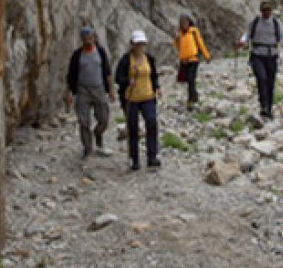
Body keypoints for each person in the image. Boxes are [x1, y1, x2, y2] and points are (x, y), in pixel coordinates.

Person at [64, 26, 116, 157]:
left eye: (90, 38)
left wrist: (111, 90)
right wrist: (68, 93)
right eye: (85, 38)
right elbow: (71, 75)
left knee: (103, 119)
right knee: (83, 121)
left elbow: (108, 72)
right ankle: (87, 147)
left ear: (94, 38)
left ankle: (98, 133)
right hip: (82, 91)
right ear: (82, 40)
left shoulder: (100, 52)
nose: (88, 41)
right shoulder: (77, 55)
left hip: (99, 89)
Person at [235, 0, 283, 119]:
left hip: (271, 56)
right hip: (257, 55)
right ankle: (263, 106)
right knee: (261, 78)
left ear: (271, 11)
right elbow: (247, 34)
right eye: (264, 10)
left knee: (270, 82)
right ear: (261, 11)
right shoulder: (255, 22)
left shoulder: (276, 23)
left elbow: (282, 38)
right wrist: (242, 41)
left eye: (268, 10)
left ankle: (269, 108)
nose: (266, 12)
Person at [115, 30, 162, 171]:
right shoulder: (125, 60)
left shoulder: (149, 58)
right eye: (137, 44)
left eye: (142, 44)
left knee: (152, 122)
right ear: (132, 44)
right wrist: (128, 81)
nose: (140, 46)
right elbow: (118, 78)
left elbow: (153, 75)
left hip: (148, 96)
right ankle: (134, 159)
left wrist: (157, 87)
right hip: (131, 99)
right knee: (133, 128)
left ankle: (152, 157)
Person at [173, 14, 212, 108]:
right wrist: (176, 39)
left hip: (193, 60)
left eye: (184, 22)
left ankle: (190, 100)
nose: (183, 25)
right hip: (184, 61)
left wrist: (207, 56)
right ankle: (194, 95)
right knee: (188, 80)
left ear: (188, 22)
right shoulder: (179, 34)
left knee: (191, 79)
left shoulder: (194, 31)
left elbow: (200, 44)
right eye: (181, 23)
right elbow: (175, 46)